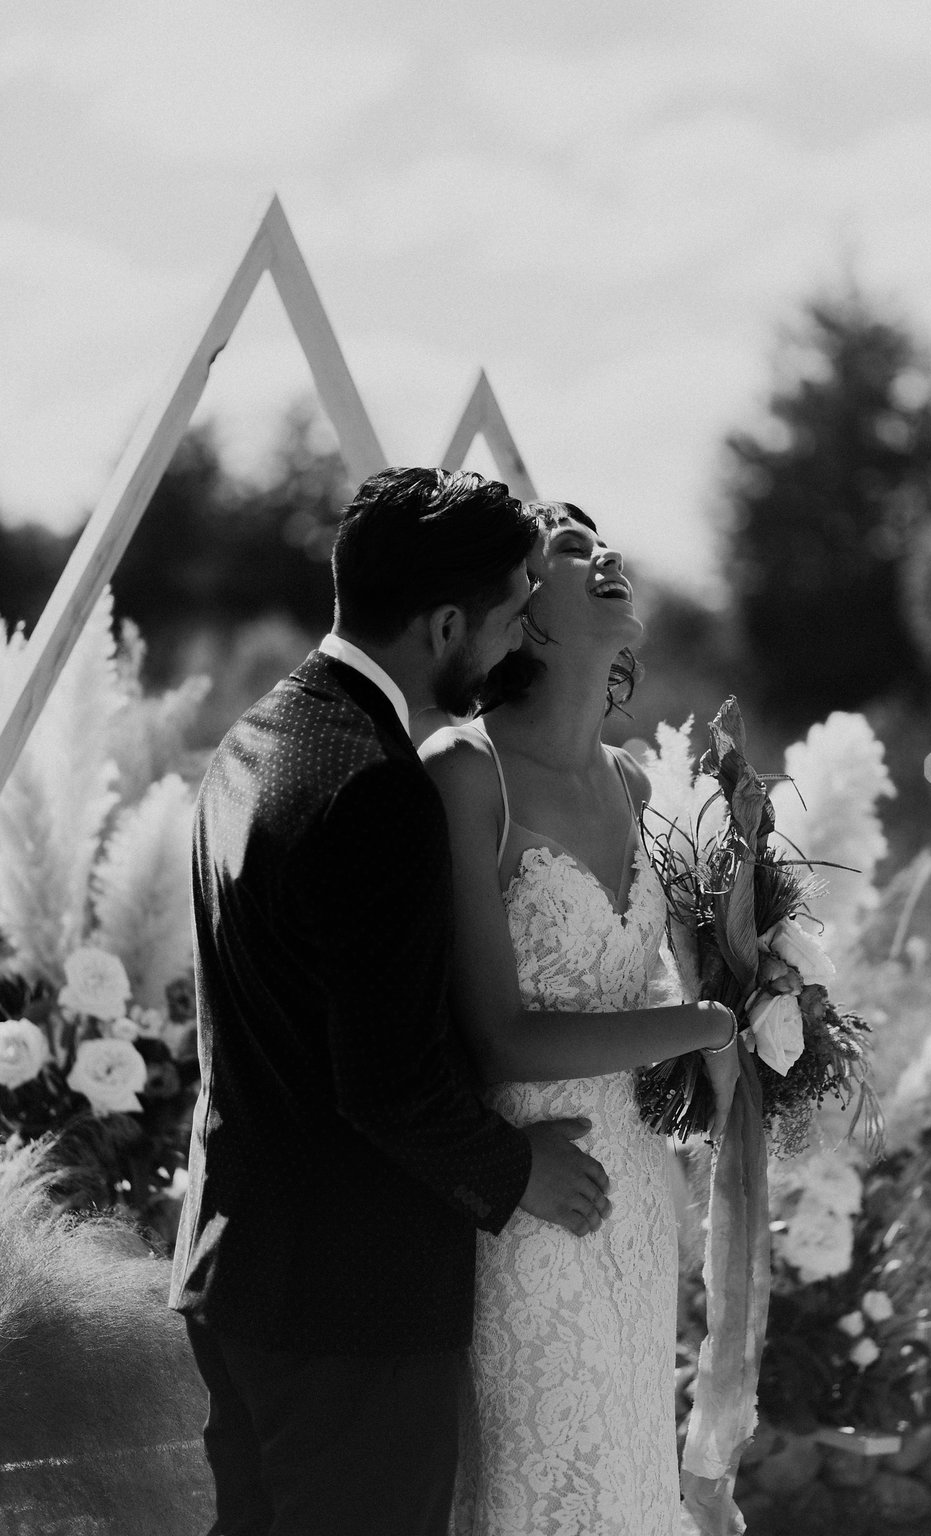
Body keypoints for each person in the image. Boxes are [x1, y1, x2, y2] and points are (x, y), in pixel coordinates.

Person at [169, 469, 615, 1536]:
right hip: (348, 1310)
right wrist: (520, 1170)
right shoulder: (376, 787)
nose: (517, 646)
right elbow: (385, 1080)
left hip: (237, 1275)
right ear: (448, 621)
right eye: (512, 617)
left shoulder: (257, 737)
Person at [421, 502, 739, 1536]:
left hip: (641, 1185)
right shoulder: (464, 776)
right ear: (525, 609)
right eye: (568, 548)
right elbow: (499, 1037)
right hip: (530, 1194)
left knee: (628, 1480)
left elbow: (644, 996)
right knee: (544, 1486)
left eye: (604, 540)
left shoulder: (644, 783)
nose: (605, 554)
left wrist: (739, 1024)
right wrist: (702, 1026)